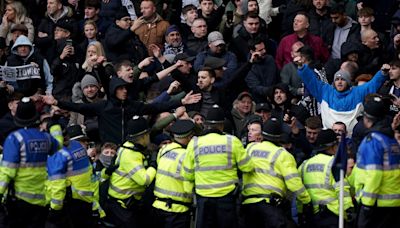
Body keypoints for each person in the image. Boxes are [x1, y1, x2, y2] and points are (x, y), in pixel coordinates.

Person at [42, 77, 202, 144]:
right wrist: (57, 102)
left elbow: (155, 107)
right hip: (110, 147)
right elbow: (78, 107)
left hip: (130, 147)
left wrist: (181, 101)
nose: (124, 91)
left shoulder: (133, 105)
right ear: (113, 91)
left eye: (125, 88)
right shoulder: (103, 106)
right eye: (120, 89)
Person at [182, 105, 254, 228]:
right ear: (222, 125)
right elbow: (248, 167)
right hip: (227, 198)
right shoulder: (232, 141)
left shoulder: (194, 143)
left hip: (203, 199)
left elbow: (187, 173)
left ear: (206, 124)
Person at [0, 97, 59, 228]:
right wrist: (54, 125)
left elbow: (6, 172)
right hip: (42, 200)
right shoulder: (46, 138)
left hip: (20, 201)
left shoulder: (14, 139)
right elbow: (58, 147)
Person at [242, 117, 312, 227]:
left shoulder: (249, 149)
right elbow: (294, 183)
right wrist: (307, 200)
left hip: (247, 207)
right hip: (270, 209)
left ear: (262, 135)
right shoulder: (282, 154)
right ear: (279, 137)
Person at [295, 57, 389, 134]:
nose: (339, 82)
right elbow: (311, 81)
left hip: (350, 139)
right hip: (330, 139)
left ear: (348, 82)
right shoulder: (326, 91)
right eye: (337, 79)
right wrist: (302, 67)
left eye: (343, 79)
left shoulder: (358, 92)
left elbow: (372, 85)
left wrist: (382, 73)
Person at [351, 95, 400, 227]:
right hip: (393, 202)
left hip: (376, 203)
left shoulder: (373, 140)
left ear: (367, 119)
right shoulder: (391, 138)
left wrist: (367, 204)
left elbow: (374, 174)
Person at [106, 116, 156, 227]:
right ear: (143, 137)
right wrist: (154, 165)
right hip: (122, 206)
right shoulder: (131, 155)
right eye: (148, 134)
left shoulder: (128, 146)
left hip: (125, 203)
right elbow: (145, 180)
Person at [299, 129, 353, 227]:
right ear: (333, 146)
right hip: (334, 216)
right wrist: (349, 211)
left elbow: (298, 191)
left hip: (312, 217)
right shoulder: (334, 164)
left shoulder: (304, 165)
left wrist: (300, 212)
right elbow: (342, 190)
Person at [46, 125, 95, 228]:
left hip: (70, 203)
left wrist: (55, 209)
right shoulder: (78, 146)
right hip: (86, 198)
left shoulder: (58, 154)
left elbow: (58, 184)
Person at [152, 119, 196, 228]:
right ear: (190, 137)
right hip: (177, 211)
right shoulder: (187, 156)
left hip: (158, 206)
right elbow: (188, 185)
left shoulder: (164, 150)